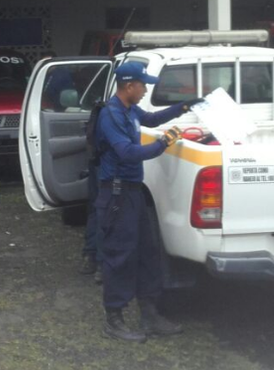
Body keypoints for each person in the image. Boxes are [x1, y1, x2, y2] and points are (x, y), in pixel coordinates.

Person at [94, 61, 202, 342]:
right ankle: (114, 319)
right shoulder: (111, 115)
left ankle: (149, 314)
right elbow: (127, 153)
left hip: (133, 193)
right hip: (116, 194)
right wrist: (162, 143)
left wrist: (184, 107)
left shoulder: (130, 109)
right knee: (120, 254)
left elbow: (152, 120)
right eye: (143, 85)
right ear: (129, 86)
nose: (145, 90)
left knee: (148, 251)